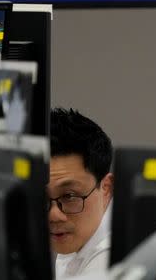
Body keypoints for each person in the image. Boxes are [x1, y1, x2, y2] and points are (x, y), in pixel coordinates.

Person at [48, 108, 114, 278]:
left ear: (106, 188)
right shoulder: (80, 236)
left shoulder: (109, 264)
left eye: (69, 196)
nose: (53, 215)